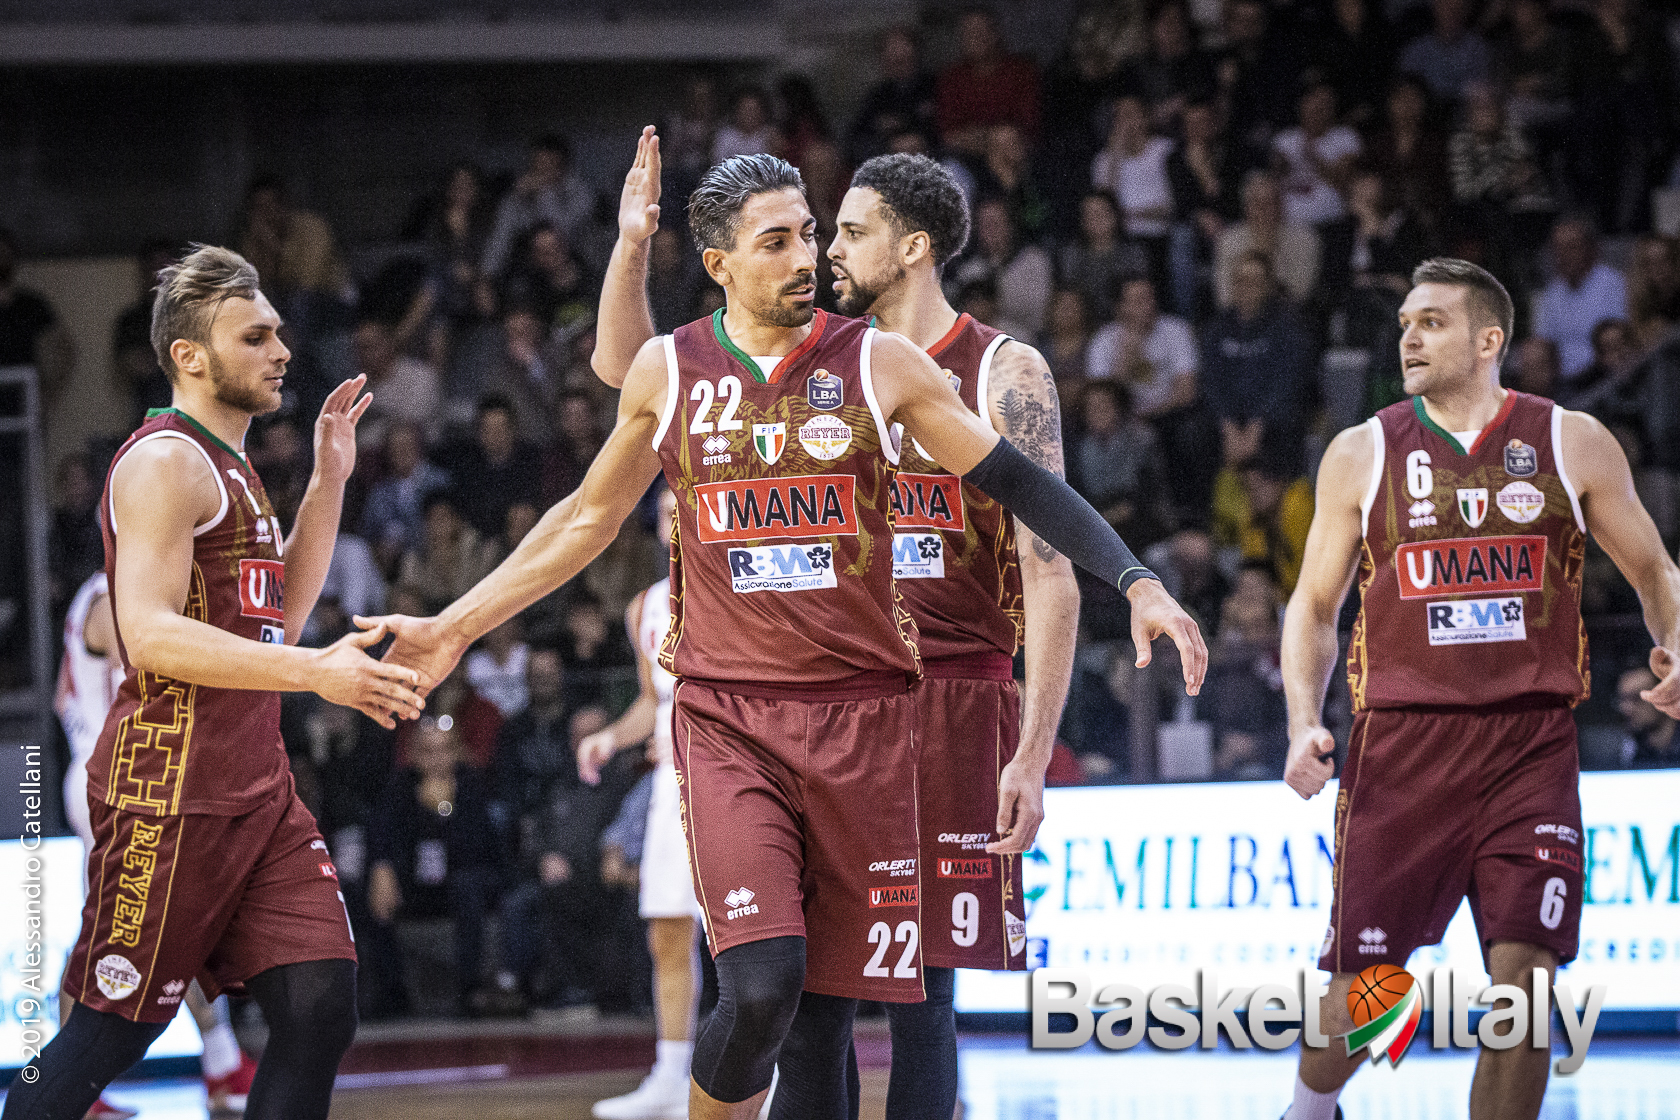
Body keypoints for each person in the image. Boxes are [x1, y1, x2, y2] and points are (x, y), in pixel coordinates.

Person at [364, 141, 1205, 1120]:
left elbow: (1018, 483)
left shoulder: (878, 361)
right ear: (720, 262)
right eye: (779, 240)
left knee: (861, 1008)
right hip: (732, 725)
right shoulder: (674, 370)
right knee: (766, 986)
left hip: (869, 725)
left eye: (812, 232)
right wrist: (458, 624)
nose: (806, 254)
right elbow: (585, 518)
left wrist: (1136, 578)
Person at [3, 245, 425, 1120]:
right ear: (191, 355)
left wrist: (329, 481)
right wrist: (316, 676)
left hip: (257, 790)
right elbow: (149, 635)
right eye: (256, 335)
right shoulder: (165, 461)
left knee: (319, 1004)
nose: (281, 350)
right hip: (170, 795)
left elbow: (283, 618)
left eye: (278, 334)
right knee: (101, 1040)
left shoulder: (233, 468)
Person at [1277, 257, 1680, 1120]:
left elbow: (1654, 570)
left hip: (1529, 745)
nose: (1409, 337)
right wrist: (1302, 721)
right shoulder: (1364, 451)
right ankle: (1310, 1110)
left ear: (1489, 339)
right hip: (1402, 749)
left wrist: (1675, 639)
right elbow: (1313, 608)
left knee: (1526, 982)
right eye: (1405, 324)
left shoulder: (1571, 440)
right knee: (1367, 988)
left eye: (1432, 322)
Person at [53, 572, 261, 1118]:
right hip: (116, 782)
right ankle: (64, 1082)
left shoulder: (117, 591)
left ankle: (219, 1064)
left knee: (138, 932)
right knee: (134, 934)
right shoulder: (108, 597)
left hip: (126, 781)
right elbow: (157, 665)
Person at [574, 487, 706, 1118]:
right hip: (671, 783)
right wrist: (611, 735)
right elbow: (651, 702)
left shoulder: (742, 582)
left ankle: (748, 1078)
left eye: (684, 507)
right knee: (667, 931)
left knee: (748, 940)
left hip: (737, 776)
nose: (673, 519)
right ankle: (670, 1076)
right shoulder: (644, 607)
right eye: (663, 511)